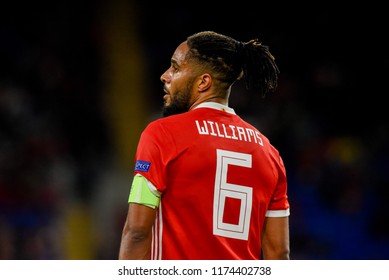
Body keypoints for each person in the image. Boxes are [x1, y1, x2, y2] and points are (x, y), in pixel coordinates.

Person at [118, 31, 290, 260]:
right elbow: (279, 253)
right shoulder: (269, 153)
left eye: (175, 67)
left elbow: (137, 231)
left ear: (203, 82)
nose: (164, 76)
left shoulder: (162, 134)